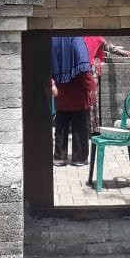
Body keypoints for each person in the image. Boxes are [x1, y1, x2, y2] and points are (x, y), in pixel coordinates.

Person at [51, 36, 96, 166]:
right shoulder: (76, 39)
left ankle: (60, 157)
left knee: (61, 126)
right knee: (80, 126)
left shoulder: (53, 40)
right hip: (78, 91)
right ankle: (79, 157)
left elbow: (46, 64)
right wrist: (91, 88)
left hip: (61, 92)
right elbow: (84, 69)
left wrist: (51, 84)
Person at [84, 36, 130, 134]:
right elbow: (108, 47)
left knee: (84, 99)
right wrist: (123, 52)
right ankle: (93, 128)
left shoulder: (81, 38)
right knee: (93, 100)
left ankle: (85, 127)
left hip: (81, 70)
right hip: (92, 70)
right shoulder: (97, 37)